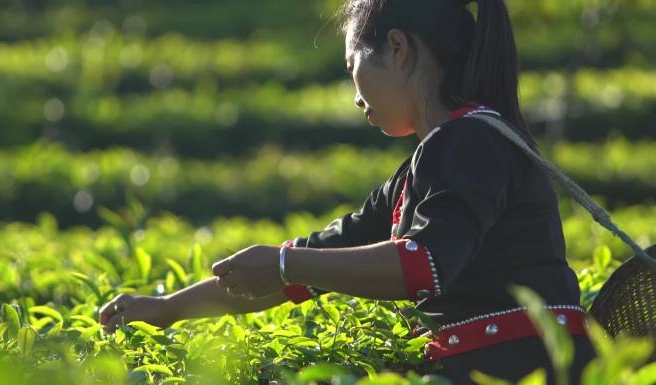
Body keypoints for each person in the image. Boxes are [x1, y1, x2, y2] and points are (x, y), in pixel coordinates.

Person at [99, 0, 597, 384]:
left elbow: (422, 264)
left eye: (351, 66)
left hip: (523, 368)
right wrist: (167, 309)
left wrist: (283, 265)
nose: (356, 95)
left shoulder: (472, 139)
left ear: (398, 49)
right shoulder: (426, 166)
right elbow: (307, 262)